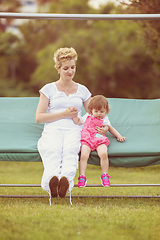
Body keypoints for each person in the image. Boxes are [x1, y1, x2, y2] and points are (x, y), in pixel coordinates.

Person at [36, 47, 107, 200]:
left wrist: (105, 127)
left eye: (73, 67)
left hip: (75, 128)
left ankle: (65, 182)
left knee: (70, 151)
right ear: (58, 68)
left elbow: (95, 112)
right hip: (53, 128)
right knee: (53, 150)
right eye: (66, 68)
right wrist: (64, 114)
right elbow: (39, 117)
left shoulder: (82, 90)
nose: (70, 71)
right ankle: (52, 181)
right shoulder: (48, 89)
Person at [72, 95, 126, 188]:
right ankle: (82, 176)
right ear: (91, 110)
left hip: (99, 139)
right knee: (84, 155)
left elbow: (111, 129)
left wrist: (119, 136)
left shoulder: (105, 120)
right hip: (87, 139)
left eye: (102, 111)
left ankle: (105, 175)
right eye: (96, 111)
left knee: (104, 154)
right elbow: (79, 122)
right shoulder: (87, 116)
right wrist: (74, 116)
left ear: (106, 111)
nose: (99, 114)